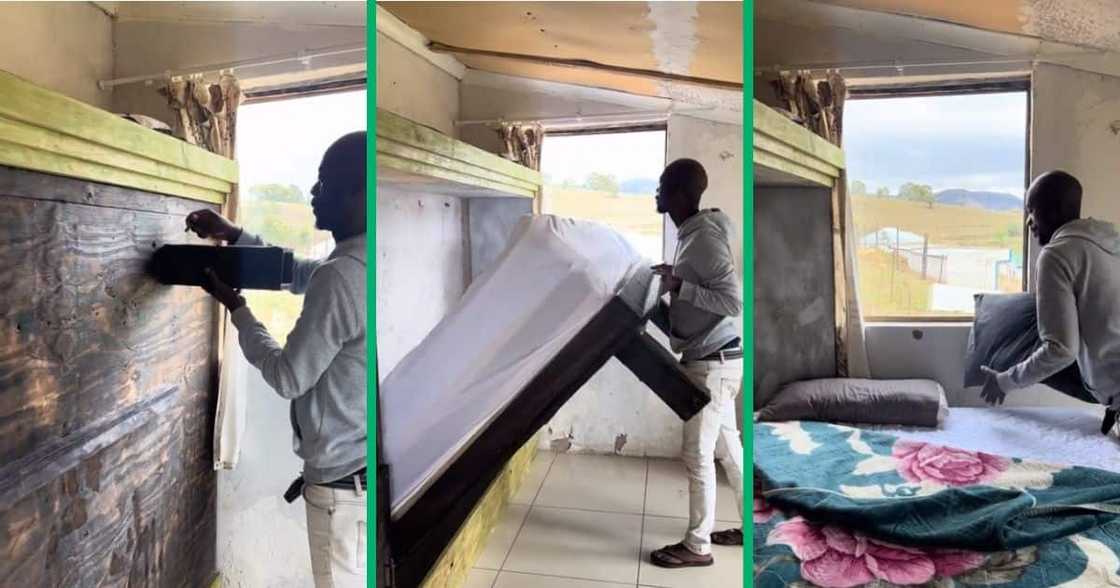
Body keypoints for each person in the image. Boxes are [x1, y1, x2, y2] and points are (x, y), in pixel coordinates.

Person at [185, 131, 368, 588]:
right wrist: (235, 236)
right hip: (360, 474)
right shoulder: (360, 262)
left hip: (343, 492)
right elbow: (297, 273)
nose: (312, 192)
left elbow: (289, 377)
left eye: (325, 182)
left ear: (360, 194)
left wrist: (238, 311)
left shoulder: (344, 276)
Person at [648, 158, 744, 568]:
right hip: (719, 360)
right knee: (728, 451)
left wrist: (680, 285)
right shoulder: (693, 233)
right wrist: (674, 280)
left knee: (699, 455)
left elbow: (731, 300)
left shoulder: (702, 238)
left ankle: (697, 546)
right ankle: (750, 526)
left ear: (682, 195)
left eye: (663, 186)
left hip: (713, 365)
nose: (657, 192)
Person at [980, 170, 1119, 437]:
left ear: (1054, 211)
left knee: (1022, 335)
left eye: (1032, 210)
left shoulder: (1057, 254)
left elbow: (1062, 350)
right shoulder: (1112, 243)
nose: (1028, 222)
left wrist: (1004, 382)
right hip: (1108, 383)